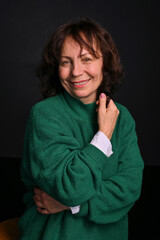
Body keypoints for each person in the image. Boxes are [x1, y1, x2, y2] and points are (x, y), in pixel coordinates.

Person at [18, 18, 144, 240]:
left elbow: (129, 189)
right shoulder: (45, 115)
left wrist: (71, 206)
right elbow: (71, 188)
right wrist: (103, 136)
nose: (76, 71)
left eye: (86, 59)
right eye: (66, 62)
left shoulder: (122, 117)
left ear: (104, 63)